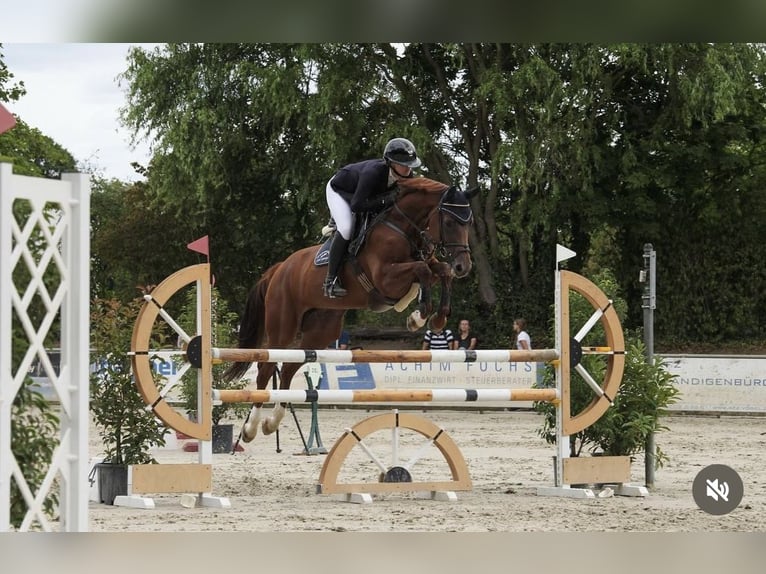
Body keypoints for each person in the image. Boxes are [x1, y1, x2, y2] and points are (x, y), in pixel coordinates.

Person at [322, 137, 422, 298]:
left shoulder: (406, 177)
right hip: (340, 190)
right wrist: (387, 199)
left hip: (364, 195)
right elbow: (357, 205)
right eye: (404, 166)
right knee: (347, 229)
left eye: (410, 166)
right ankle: (330, 282)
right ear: (391, 163)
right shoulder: (373, 173)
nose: (408, 170)